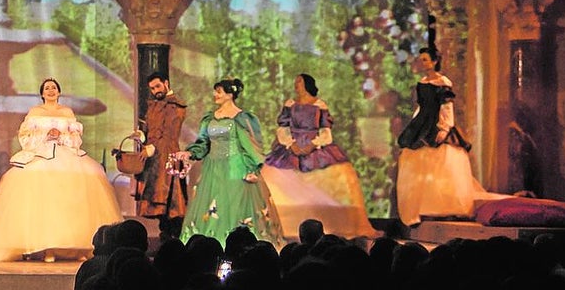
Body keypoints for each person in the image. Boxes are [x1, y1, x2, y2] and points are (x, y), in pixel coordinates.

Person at [0, 78, 123, 262]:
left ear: (59, 92)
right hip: (41, 153)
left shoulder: (67, 112)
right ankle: (45, 247)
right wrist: (45, 135)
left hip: (66, 154)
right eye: (47, 88)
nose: (51, 91)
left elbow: (75, 138)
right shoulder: (35, 112)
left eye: (54, 88)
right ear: (42, 93)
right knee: (36, 190)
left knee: (86, 182)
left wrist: (62, 136)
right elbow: (25, 137)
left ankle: (80, 246)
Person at [261, 73, 379, 240]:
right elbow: (282, 128)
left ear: (307, 84)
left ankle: (332, 226)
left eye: (299, 82)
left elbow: (326, 131)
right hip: (291, 146)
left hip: (315, 146)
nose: (296, 85)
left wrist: (312, 145)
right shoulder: (290, 104)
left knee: (336, 178)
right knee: (273, 177)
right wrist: (291, 144)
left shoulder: (319, 105)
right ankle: (285, 225)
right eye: (295, 82)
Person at [176, 77, 284, 248]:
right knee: (212, 208)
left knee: (234, 208)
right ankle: (211, 247)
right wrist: (190, 152)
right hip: (213, 169)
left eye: (218, 91)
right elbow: (203, 143)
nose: (214, 94)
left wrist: (252, 168)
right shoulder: (209, 118)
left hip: (236, 168)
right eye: (215, 91)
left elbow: (250, 146)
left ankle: (236, 246)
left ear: (230, 94)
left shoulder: (242, 118)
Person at [395, 46, 492, 226]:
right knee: (417, 162)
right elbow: (421, 106)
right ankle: (422, 208)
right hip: (423, 121)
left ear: (434, 61)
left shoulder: (443, 82)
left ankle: (442, 208)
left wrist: (444, 128)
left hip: (437, 122)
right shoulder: (422, 82)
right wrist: (414, 126)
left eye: (425, 59)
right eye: (421, 59)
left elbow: (447, 106)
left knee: (442, 164)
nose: (422, 62)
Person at [133, 72, 189, 241]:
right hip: (154, 157)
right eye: (152, 88)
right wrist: (142, 136)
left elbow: (169, 133)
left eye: (157, 86)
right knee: (158, 202)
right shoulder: (153, 105)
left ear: (166, 83)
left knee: (172, 200)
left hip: (168, 156)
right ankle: (165, 235)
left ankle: (174, 237)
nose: (155, 90)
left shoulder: (175, 105)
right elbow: (151, 130)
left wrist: (152, 147)